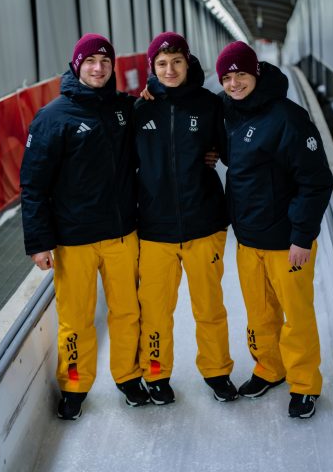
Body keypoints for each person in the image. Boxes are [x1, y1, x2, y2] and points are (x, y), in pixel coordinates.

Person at [20, 33, 150, 420]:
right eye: (90, 61)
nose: (98, 68)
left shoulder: (124, 109)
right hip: (74, 239)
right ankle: (74, 385)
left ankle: (129, 377)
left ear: (113, 68)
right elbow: (33, 184)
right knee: (76, 318)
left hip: (123, 233)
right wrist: (39, 242)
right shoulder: (52, 118)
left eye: (105, 62)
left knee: (127, 312)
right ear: (76, 65)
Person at [215, 40, 333, 419]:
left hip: (286, 242)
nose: (234, 83)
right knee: (260, 314)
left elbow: (316, 182)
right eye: (227, 77)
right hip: (248, 239)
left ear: (257, 73)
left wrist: (302, 236)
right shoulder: (230, 113)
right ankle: (270, 367)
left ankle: (304, 384)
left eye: (241, 75)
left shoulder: (288, 118)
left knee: (296, 316)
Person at [134, 32, 237, 405]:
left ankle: (217, 371)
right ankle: (156, 374)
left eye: (176, 61)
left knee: (209, 306)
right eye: (161, 64)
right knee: (156, 309)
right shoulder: (140, 110)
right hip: (155, 229)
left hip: (203, 224)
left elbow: (229, 154)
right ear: (152, 69)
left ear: (188, 62)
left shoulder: (210, 105)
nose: (170, 69)